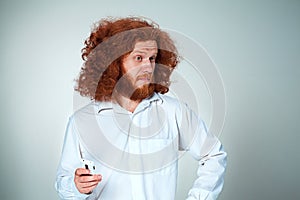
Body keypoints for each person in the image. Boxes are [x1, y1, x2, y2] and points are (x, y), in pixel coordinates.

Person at [55, 16, 227, 200]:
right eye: (139, 58)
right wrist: (77, 186)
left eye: (152, 58)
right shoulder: (82, 120)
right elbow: (64, 182)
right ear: (114, 64)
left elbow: (213, 154)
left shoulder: (173, 111)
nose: (148, 66)